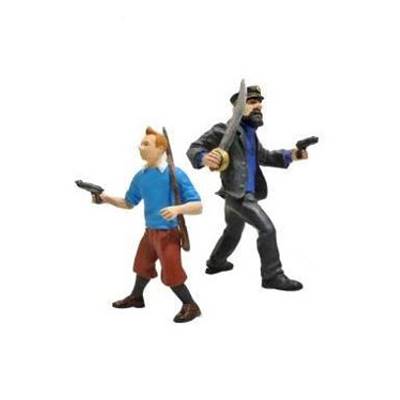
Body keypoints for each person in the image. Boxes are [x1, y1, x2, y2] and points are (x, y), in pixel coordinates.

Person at [186, 85, 309, 291]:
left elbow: (264, 156)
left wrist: (293, 154)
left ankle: (216, 262)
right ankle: (272, 275)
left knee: (233, 231)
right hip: (239, 195)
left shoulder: (250, 134)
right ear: (238, 108)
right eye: (252, 102)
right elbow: (194, 148)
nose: (258, 106)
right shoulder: (223, 130)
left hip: (237, 194)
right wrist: (204, 157)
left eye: (260, 102)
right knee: (267, 230)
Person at [96, 127, 202, 322]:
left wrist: (178, 209)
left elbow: (198, 206)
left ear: (161, 148)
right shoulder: (141, 176)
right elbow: (129, 202)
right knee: (142, 265)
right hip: (150, 233)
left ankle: (191, 305)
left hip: (168, 235)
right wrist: (106, 199)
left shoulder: (176, 174)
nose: (140, 147)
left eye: (146, 144)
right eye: (141, 143)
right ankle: (137, 297)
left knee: (172, 273)